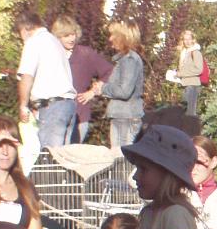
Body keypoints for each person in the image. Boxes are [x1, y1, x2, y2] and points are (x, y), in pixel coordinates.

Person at [14, 11, 77, 148]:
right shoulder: (54, 41)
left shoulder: (33, 42)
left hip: (53, 109)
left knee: (50, 160)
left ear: (24, 29)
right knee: (63, 159)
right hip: (68, 105)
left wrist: (23, 106)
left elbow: (26, 76)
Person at [82, 21, 144, 150]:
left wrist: (102, 89)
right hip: (123, 116)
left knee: (121, 160)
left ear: (123, 38)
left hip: (125, 117)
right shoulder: (125, 59)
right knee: (120, 160)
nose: (110, 39)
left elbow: (124, 91)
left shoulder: (129, 60)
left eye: (114, 35)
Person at [51, 15, 113, 144]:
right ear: (57, 36)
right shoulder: (51, 55)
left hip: (79, 116)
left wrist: (93, 92)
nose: (71, 38)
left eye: (73, 34)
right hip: (55, 117)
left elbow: (110, 71)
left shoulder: (85, 54)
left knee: (72, 158)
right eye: (66, 35)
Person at [176, 30, 204, 117]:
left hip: (192, 86)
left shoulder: (195, 52)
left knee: (190, 114)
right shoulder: (185, 53)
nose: (187, 42)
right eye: (185, 39)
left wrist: (181, 73)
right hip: (186, 85)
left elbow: (199, 69)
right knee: (185, 114)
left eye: (189, 39)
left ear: (193, 40)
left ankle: (191, 130)